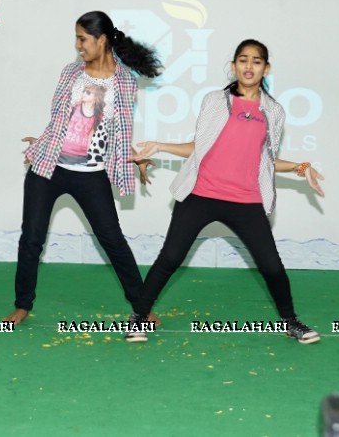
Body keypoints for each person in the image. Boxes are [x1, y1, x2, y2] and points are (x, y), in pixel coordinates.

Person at [127, 39, 324, 344]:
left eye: (256, 61)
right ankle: (139, 317)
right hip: (201, 194)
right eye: (243, 60)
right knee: (171, 257)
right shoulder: (215, 101)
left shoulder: (273, 111)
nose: (249, 66)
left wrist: (302, 167)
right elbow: (199, 147)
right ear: (233, 66)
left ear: (266, 68)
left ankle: (291, 321)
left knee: (272, 266)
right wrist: (161, 145)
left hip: (246, 201)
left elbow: (267, 161)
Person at [3, 11, 162, 325]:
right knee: (31, 239)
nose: (78, 46)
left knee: (112, 240)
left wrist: (134, 157)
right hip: (48, 168)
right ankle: (22, 305)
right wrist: (43, 142)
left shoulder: (125, 82)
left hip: (91, 175)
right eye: (77, 38)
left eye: (82, 39)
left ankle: (142, 306)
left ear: (101, 40)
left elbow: (118, 132)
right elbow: (60, 121)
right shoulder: (71, 73)